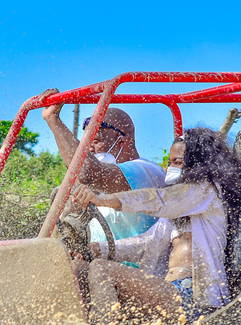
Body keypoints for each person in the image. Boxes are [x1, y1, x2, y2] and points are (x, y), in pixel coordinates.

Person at [71, 128, 241, 324]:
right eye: (170, 162)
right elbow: (146, 243)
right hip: (169, 289)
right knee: (80, 269)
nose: (170, 169)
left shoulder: (208, 191)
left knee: (102, 270)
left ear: (198, 164)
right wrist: (97, 249)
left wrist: (102, 199)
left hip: (195, 296)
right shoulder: (177, 214)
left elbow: (159, 199)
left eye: (178, 163)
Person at [39, 89, 165, 241]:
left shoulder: (145, 171)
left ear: (122, 141)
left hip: (137, 262)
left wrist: (53, 119)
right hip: (101, 258)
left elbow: (89, 173)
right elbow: (65, 225)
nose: (88, 150)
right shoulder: (102, 183)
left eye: (95, 141)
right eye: (85, 143)